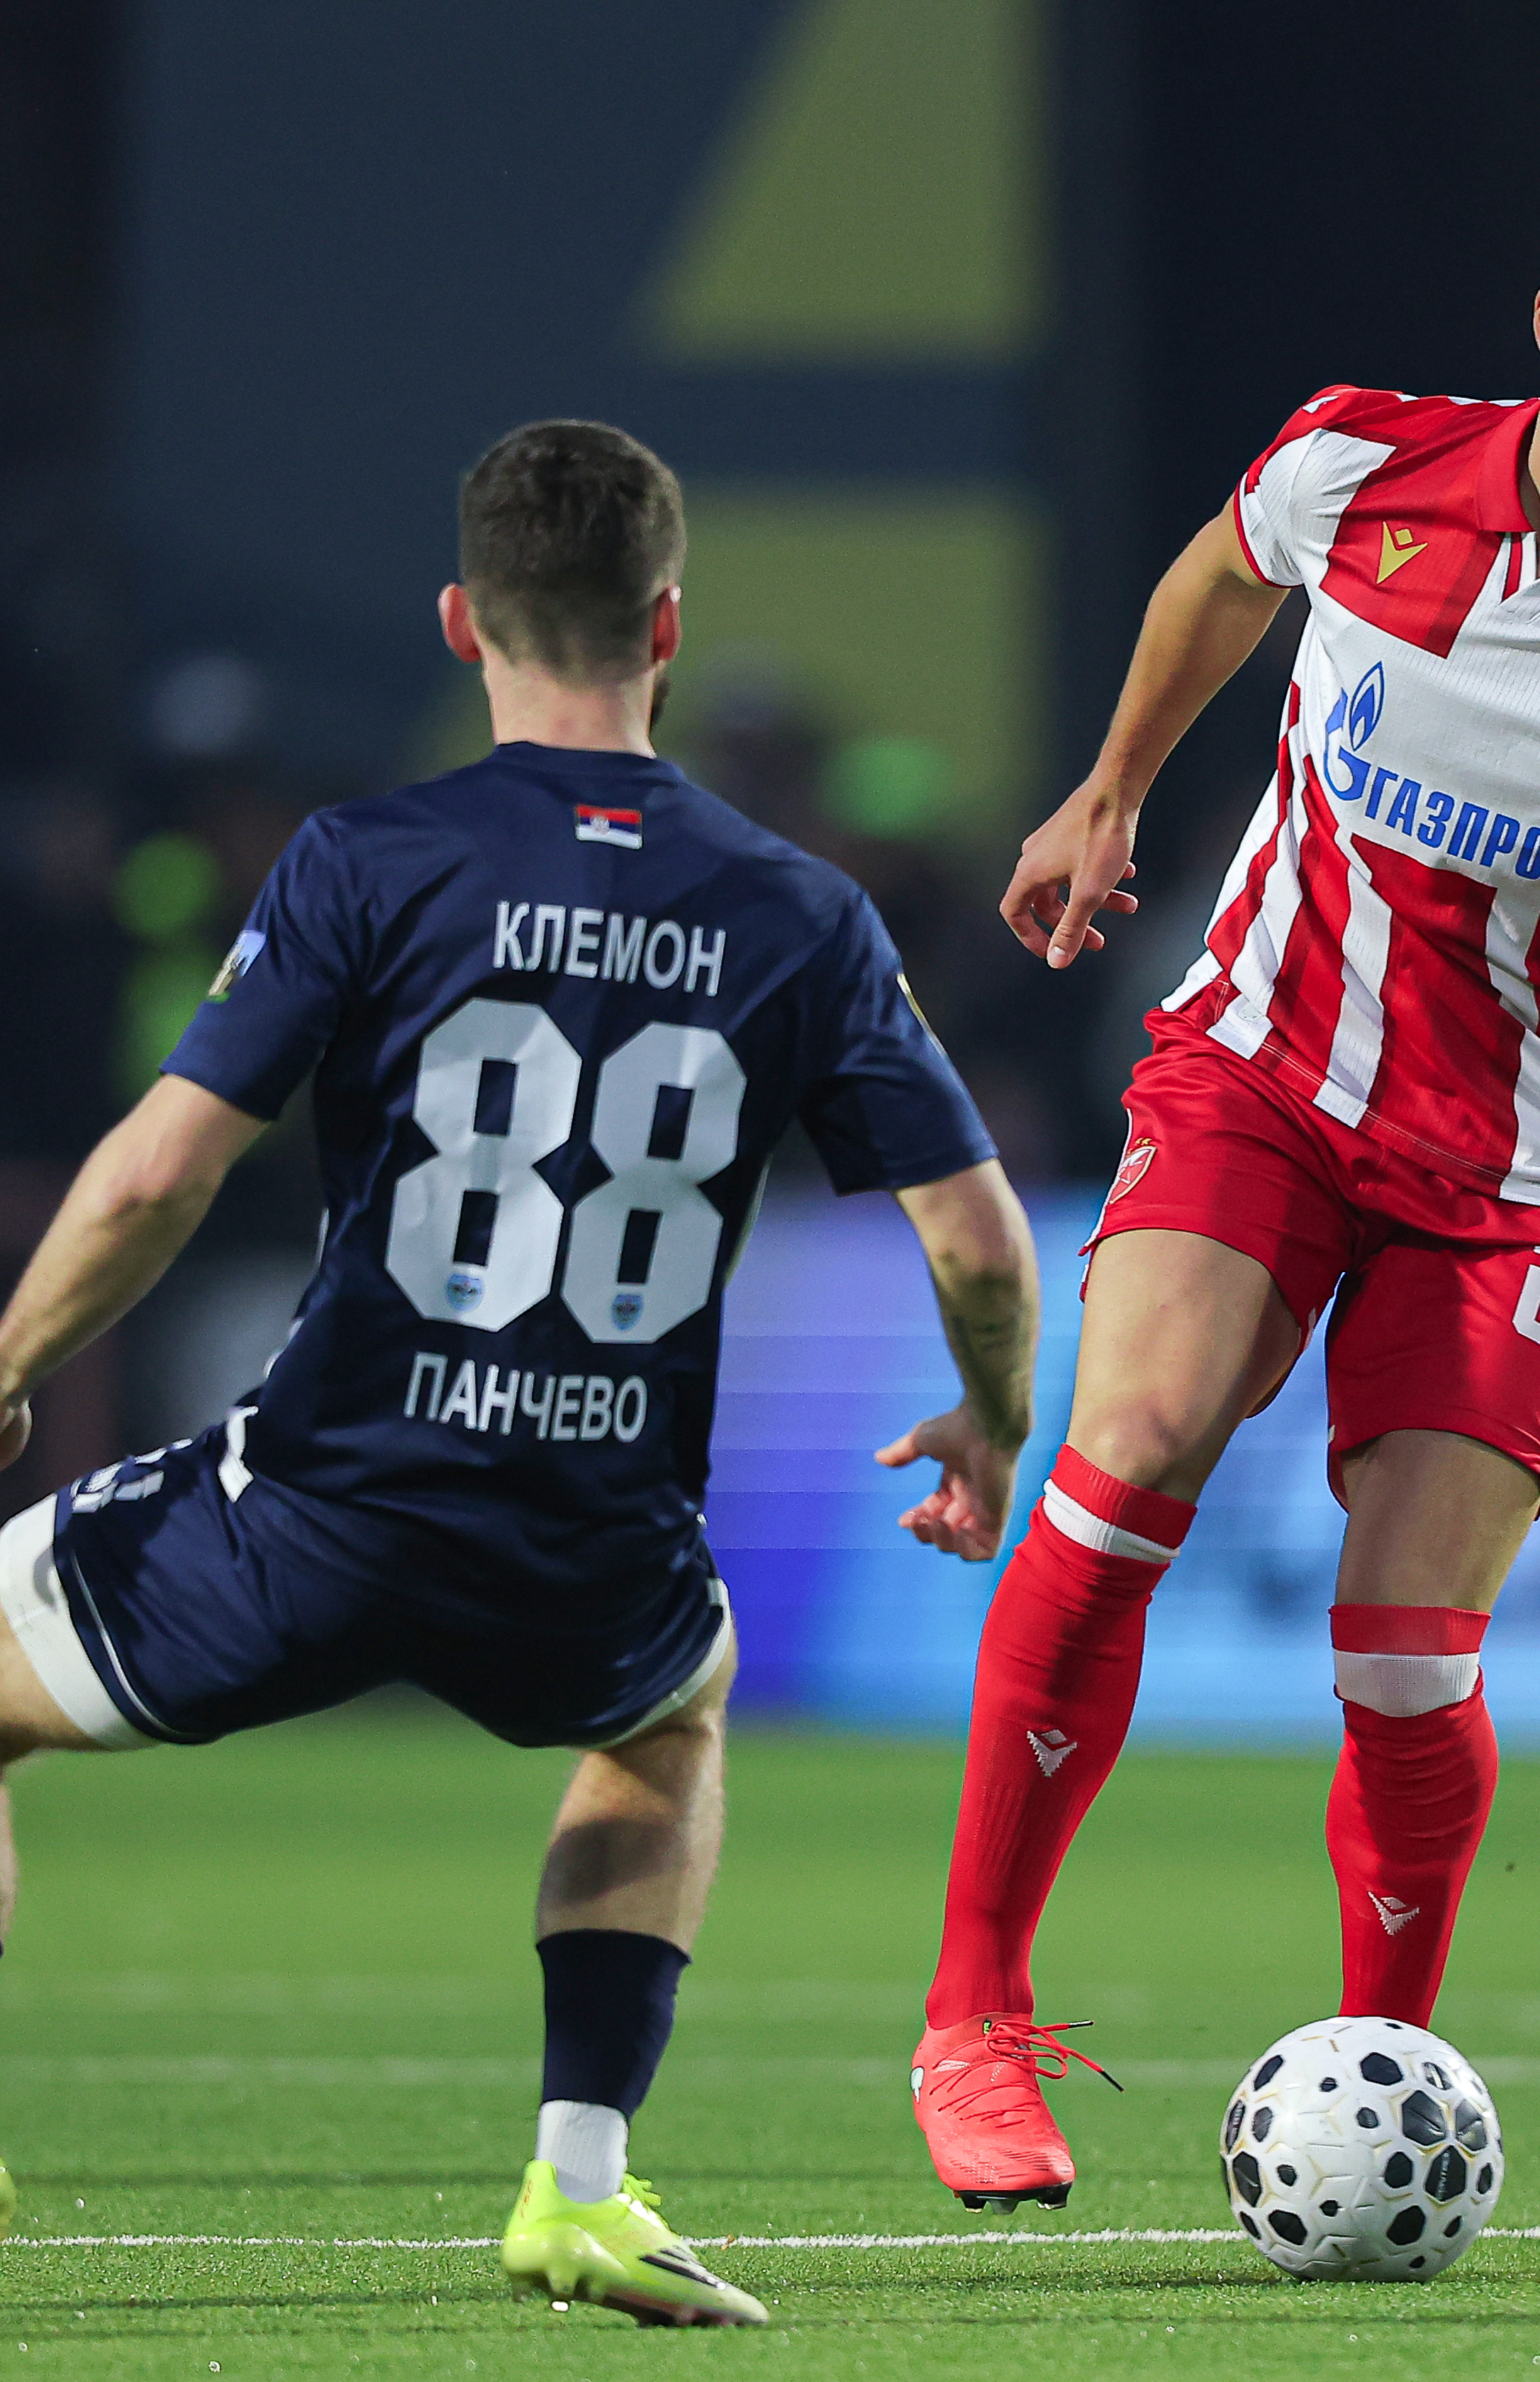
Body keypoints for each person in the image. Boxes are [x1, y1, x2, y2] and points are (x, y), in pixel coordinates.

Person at [908, 136, 1540, 2211]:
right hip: (1261, 1065)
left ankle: (1388, 2069)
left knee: (1401, 1646)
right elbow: (1213, 578)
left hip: (1522, 1176)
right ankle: (973, 2016)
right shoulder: (1356, 467)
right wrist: (1109, 788)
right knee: (1136, 1447)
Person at [0, 422, 1041, 2327]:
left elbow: (158, 1173)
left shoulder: (371, 856)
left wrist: (15, 1357)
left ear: (466, 622)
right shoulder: (800, 908)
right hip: (589, 1529)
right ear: (664, 620)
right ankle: (577, 2185)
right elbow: (978, 1238)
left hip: (323, 1500)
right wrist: (992, 1410)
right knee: (665, 1721)